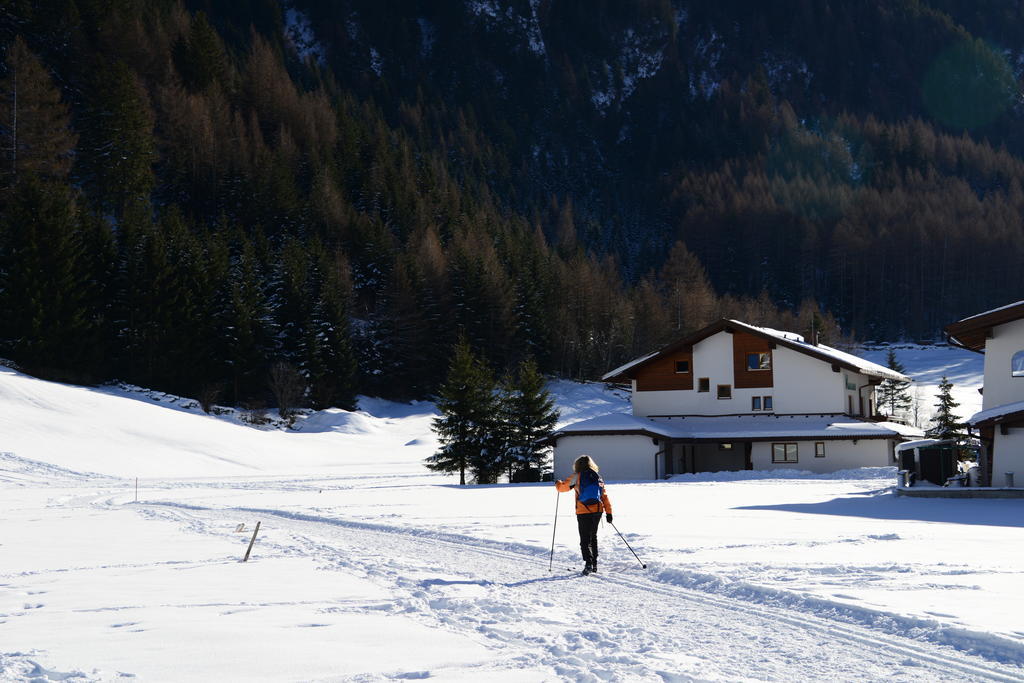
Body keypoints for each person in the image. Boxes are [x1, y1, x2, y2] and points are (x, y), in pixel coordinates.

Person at [555, 455, 613, 575]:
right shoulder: (598, 477)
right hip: (597, 510)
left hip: (583, 511)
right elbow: (604, 496)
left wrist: (558, 483)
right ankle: (594, 564)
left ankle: (588, 564)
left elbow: (562, 488)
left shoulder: (576, 476)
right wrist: (609, 513)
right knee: (593, 537)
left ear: (577, 465)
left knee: (584, 539)